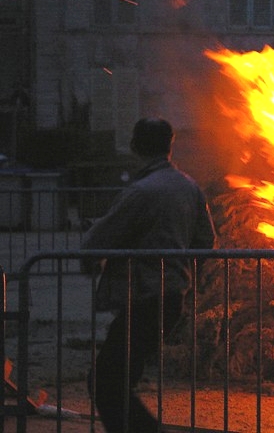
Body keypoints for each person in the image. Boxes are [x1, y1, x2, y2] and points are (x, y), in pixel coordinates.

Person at [81, 117, 216, 433]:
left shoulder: (141, 191)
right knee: (114, 378)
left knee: (106, 383)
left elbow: (97, 240)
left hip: (143, 294)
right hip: (171, 297)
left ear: (135, 146)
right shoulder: (189, 187)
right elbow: (206, 242)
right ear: (170, 145)